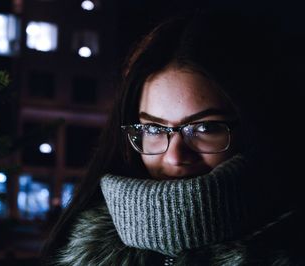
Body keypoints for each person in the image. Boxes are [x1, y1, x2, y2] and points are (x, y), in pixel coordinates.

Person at [42, 10, 304, 265]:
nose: (175, 157)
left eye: (205, 128)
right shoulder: (81, 248)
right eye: (154, 129)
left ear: (254, 126)